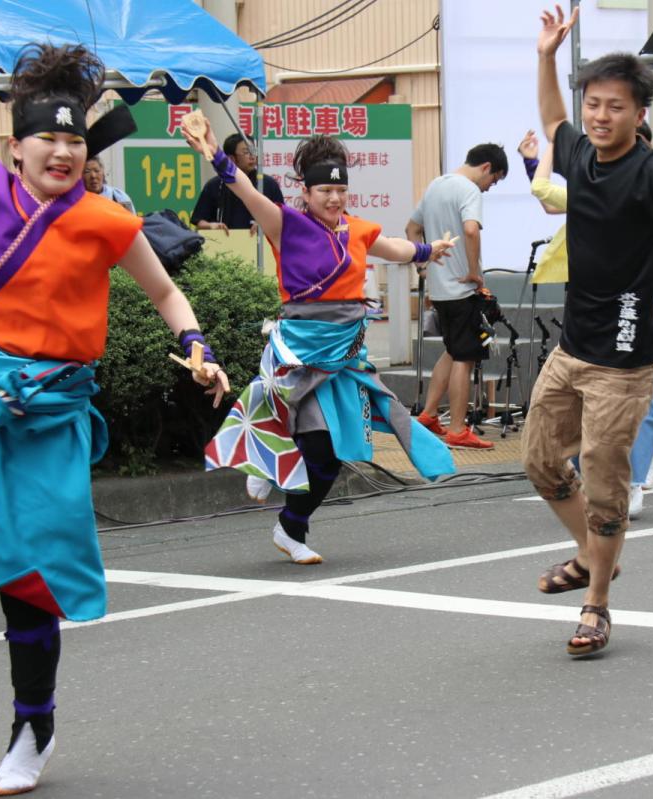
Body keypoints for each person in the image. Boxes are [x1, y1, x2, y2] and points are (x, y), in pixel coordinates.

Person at [0, 5, 231, 795]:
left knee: (29, 588)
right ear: (15, 147)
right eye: (46, 139)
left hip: (47, 414)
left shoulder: (103, 219)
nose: (62, 150)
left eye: (74, 139)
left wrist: (197, 345)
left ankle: (33, 730)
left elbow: (165, 292)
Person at [526, 5, 653, 657]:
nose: (599, 116)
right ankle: (591, 554)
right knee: (539, 458)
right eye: (594, 104)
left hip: (626, 358)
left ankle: (596, 601)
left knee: (606, 484)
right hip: (572, 346)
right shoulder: (578, 153)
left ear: (640, 114)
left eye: (614, 106)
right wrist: (548, 57)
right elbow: (553, 118)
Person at [188, 128, 456, 565]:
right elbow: (245, 192)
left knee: (329, 460)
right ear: (306, 191)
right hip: (299, 357)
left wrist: (429, 249)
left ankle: (290, 527)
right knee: (308, 442)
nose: (334, 198)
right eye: (325, 190)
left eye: (341, 190)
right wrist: (216, 155)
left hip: (344, 360)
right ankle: (266, 466)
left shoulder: (358, 230)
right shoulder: (284, 223)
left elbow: (395, 248)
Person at [519, 124, 653, 519]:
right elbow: (548, 197)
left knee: (644, 397)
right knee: (588, 395)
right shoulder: (594, 189)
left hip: (640, 303)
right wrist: (543, 153)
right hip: (595, 308)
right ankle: (598, 482)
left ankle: (633, 482)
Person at [407, 142, 508, 450]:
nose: (490, 188)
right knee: (465, 358)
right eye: (495, 180)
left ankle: (428, 414)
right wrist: (476, 273)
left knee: (452, 351)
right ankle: (457, 430)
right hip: (462, 289)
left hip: (440, 290)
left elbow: (412, 229)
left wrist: (424, 268)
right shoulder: (468, 190)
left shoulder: (436, 185)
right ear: (487, 167)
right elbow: (471, 230)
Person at [190, 132, 284, 234]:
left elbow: (283, 218)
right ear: (231, 158)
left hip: (261, 246)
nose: (252, 156)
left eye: (254, 151)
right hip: (224, 245)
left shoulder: (268, 184)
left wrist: (266, 224)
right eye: (246, 152)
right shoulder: (214, 185)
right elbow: (199, 222)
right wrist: (211, 226)